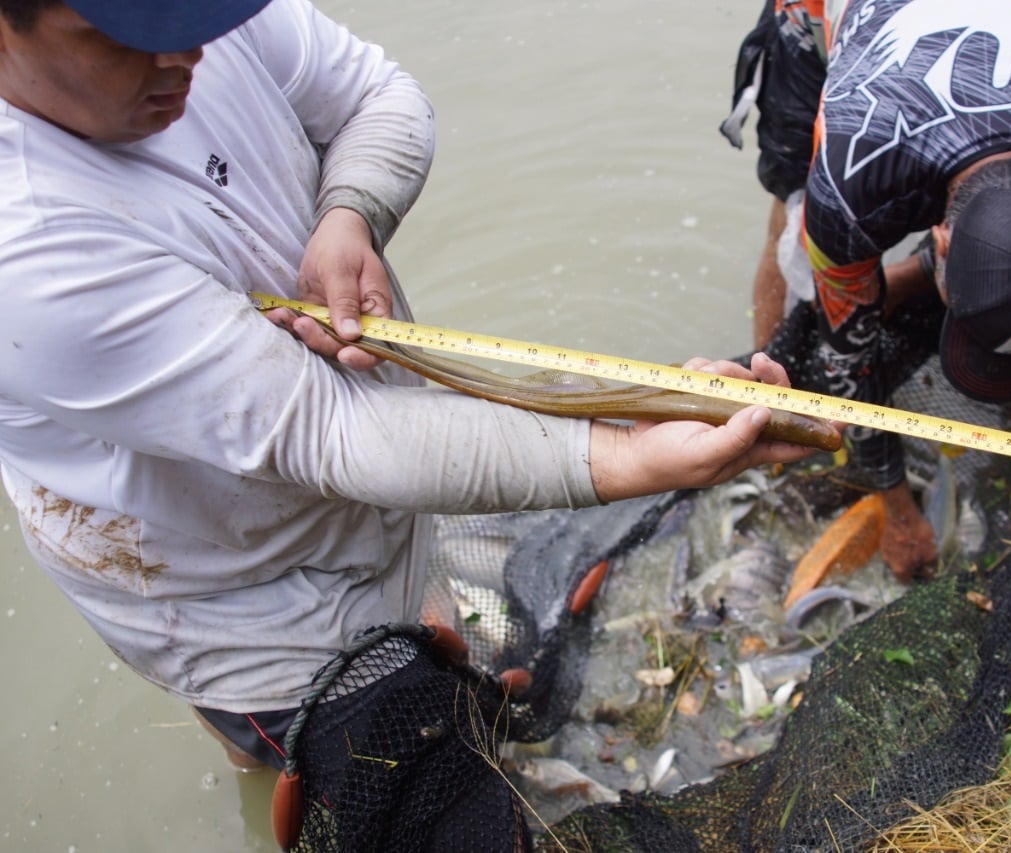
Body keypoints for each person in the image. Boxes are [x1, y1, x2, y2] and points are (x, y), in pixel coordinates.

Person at [0, 0, 815, 773]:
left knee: (429, 619)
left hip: (367, 490)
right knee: (304, 739)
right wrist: (632, 454)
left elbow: (378, 94)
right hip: (252, 603)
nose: (186, 53)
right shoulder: (25, 248)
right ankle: (265, 749)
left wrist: (348, 211)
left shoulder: (193, 30)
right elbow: (333, 433)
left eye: (199, 14)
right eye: (123, 36)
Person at [724, 0, 1011, 581]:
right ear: (942, 238)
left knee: (862, 291)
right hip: (828, 27)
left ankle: (885, 291)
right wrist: (897, 511)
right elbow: (846, 358)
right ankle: (769, 408)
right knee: (799, 235)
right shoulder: (852, 183)